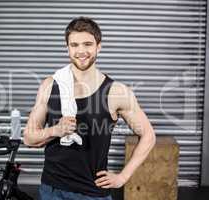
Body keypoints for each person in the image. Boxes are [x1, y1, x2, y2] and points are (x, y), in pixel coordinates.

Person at [23, 17, 156, 200]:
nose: (81, 51)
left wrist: (122, 177)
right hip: (51, 189)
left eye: (87, 44)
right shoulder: (50, 85)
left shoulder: (116, 92)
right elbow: (29, 138)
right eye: (74, 45)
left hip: (92, 193)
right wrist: (56, 130)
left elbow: (148, 135)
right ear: (67, 48)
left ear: (98, 46)